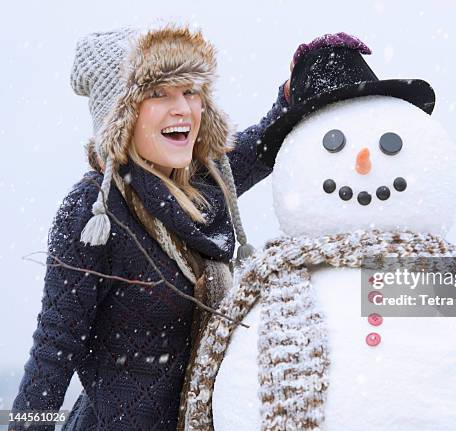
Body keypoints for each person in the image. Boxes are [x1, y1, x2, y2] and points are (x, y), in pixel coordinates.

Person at [9, 24, 289, 430]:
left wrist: (298, 88)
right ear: (119, 115)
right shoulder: (93, 212)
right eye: (158, 93)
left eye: (190, 91)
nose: (182, 108)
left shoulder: (200, 190)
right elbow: (53, 353)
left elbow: (265, 142)